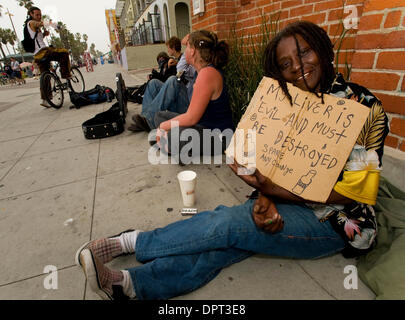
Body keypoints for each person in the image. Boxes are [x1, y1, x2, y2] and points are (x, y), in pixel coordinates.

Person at [75, 21, 389, 300]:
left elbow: (356, 193)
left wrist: (273, 191)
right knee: (228, 237)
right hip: (284, 198)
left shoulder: (361, 106)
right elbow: (275, 163)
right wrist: (255, 179)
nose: (298, 66)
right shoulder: (285, 102)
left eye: (305, 52)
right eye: (285, 63)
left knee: (231, 224)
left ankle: (130, 241)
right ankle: (129, 285)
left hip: (335, 220)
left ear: (322, 49)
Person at [128, 35, 196, 132]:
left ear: (195, 51)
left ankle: (149, 121)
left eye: (189, 47)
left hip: (187, 103)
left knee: (173, 80)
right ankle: (145, 118)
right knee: (153, 83)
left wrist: (176, 63)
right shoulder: (185, 61)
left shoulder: (200, 68)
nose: (186, 51)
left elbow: (179, 72)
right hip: (182, 93)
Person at [25, 6, 72, 107]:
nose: (39, 16)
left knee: (45, 75)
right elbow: (39, 23)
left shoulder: (32, 27)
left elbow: (37, 39)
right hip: (43, 51)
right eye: (37, 15)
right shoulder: (31, 22)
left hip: (37, 55)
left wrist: (44, 34)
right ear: (31, 14)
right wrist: (53, 24)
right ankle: (66, 74)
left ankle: (45, 100)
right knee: (64, 52)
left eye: (40, 15)